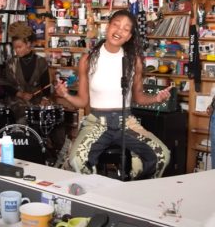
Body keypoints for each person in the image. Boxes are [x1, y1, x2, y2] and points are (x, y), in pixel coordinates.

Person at [55, 10, 172, 180]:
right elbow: (82, 102)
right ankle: (95, 201)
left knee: (162, 155)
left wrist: (156, 98)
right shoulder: (88, 60)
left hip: (127, 122)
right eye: (116, 24)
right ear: (108, 26)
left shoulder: (135, 61)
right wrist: (65, 94)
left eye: (125, 29)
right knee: (76, 160)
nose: (119, 31)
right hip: (97, 122)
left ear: (129, 36)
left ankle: (133, 195)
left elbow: (139, 98)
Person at [3, 21, 51, 123]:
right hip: (17, 101)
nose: (16, 50)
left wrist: (45, 98)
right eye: (15, 48)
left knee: (51, 116)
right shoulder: (11, 63)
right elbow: (6, 85)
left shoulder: (41, 62)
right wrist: (21, 94)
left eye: (19, 47)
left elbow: (46, 85)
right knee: (25, 116)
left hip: (37, 100)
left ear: (28, 44)